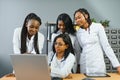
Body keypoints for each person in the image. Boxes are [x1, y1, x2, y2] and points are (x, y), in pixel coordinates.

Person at [74, 8, 120, 75]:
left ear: (86, 16)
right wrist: (78, 66)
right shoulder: (78, 32)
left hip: (97, 64)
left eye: (79, 17)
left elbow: (106, 47)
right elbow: (78, 51)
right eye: (76, 19)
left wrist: (117, 65)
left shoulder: (98, 27)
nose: (77, 20)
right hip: (85, 65)